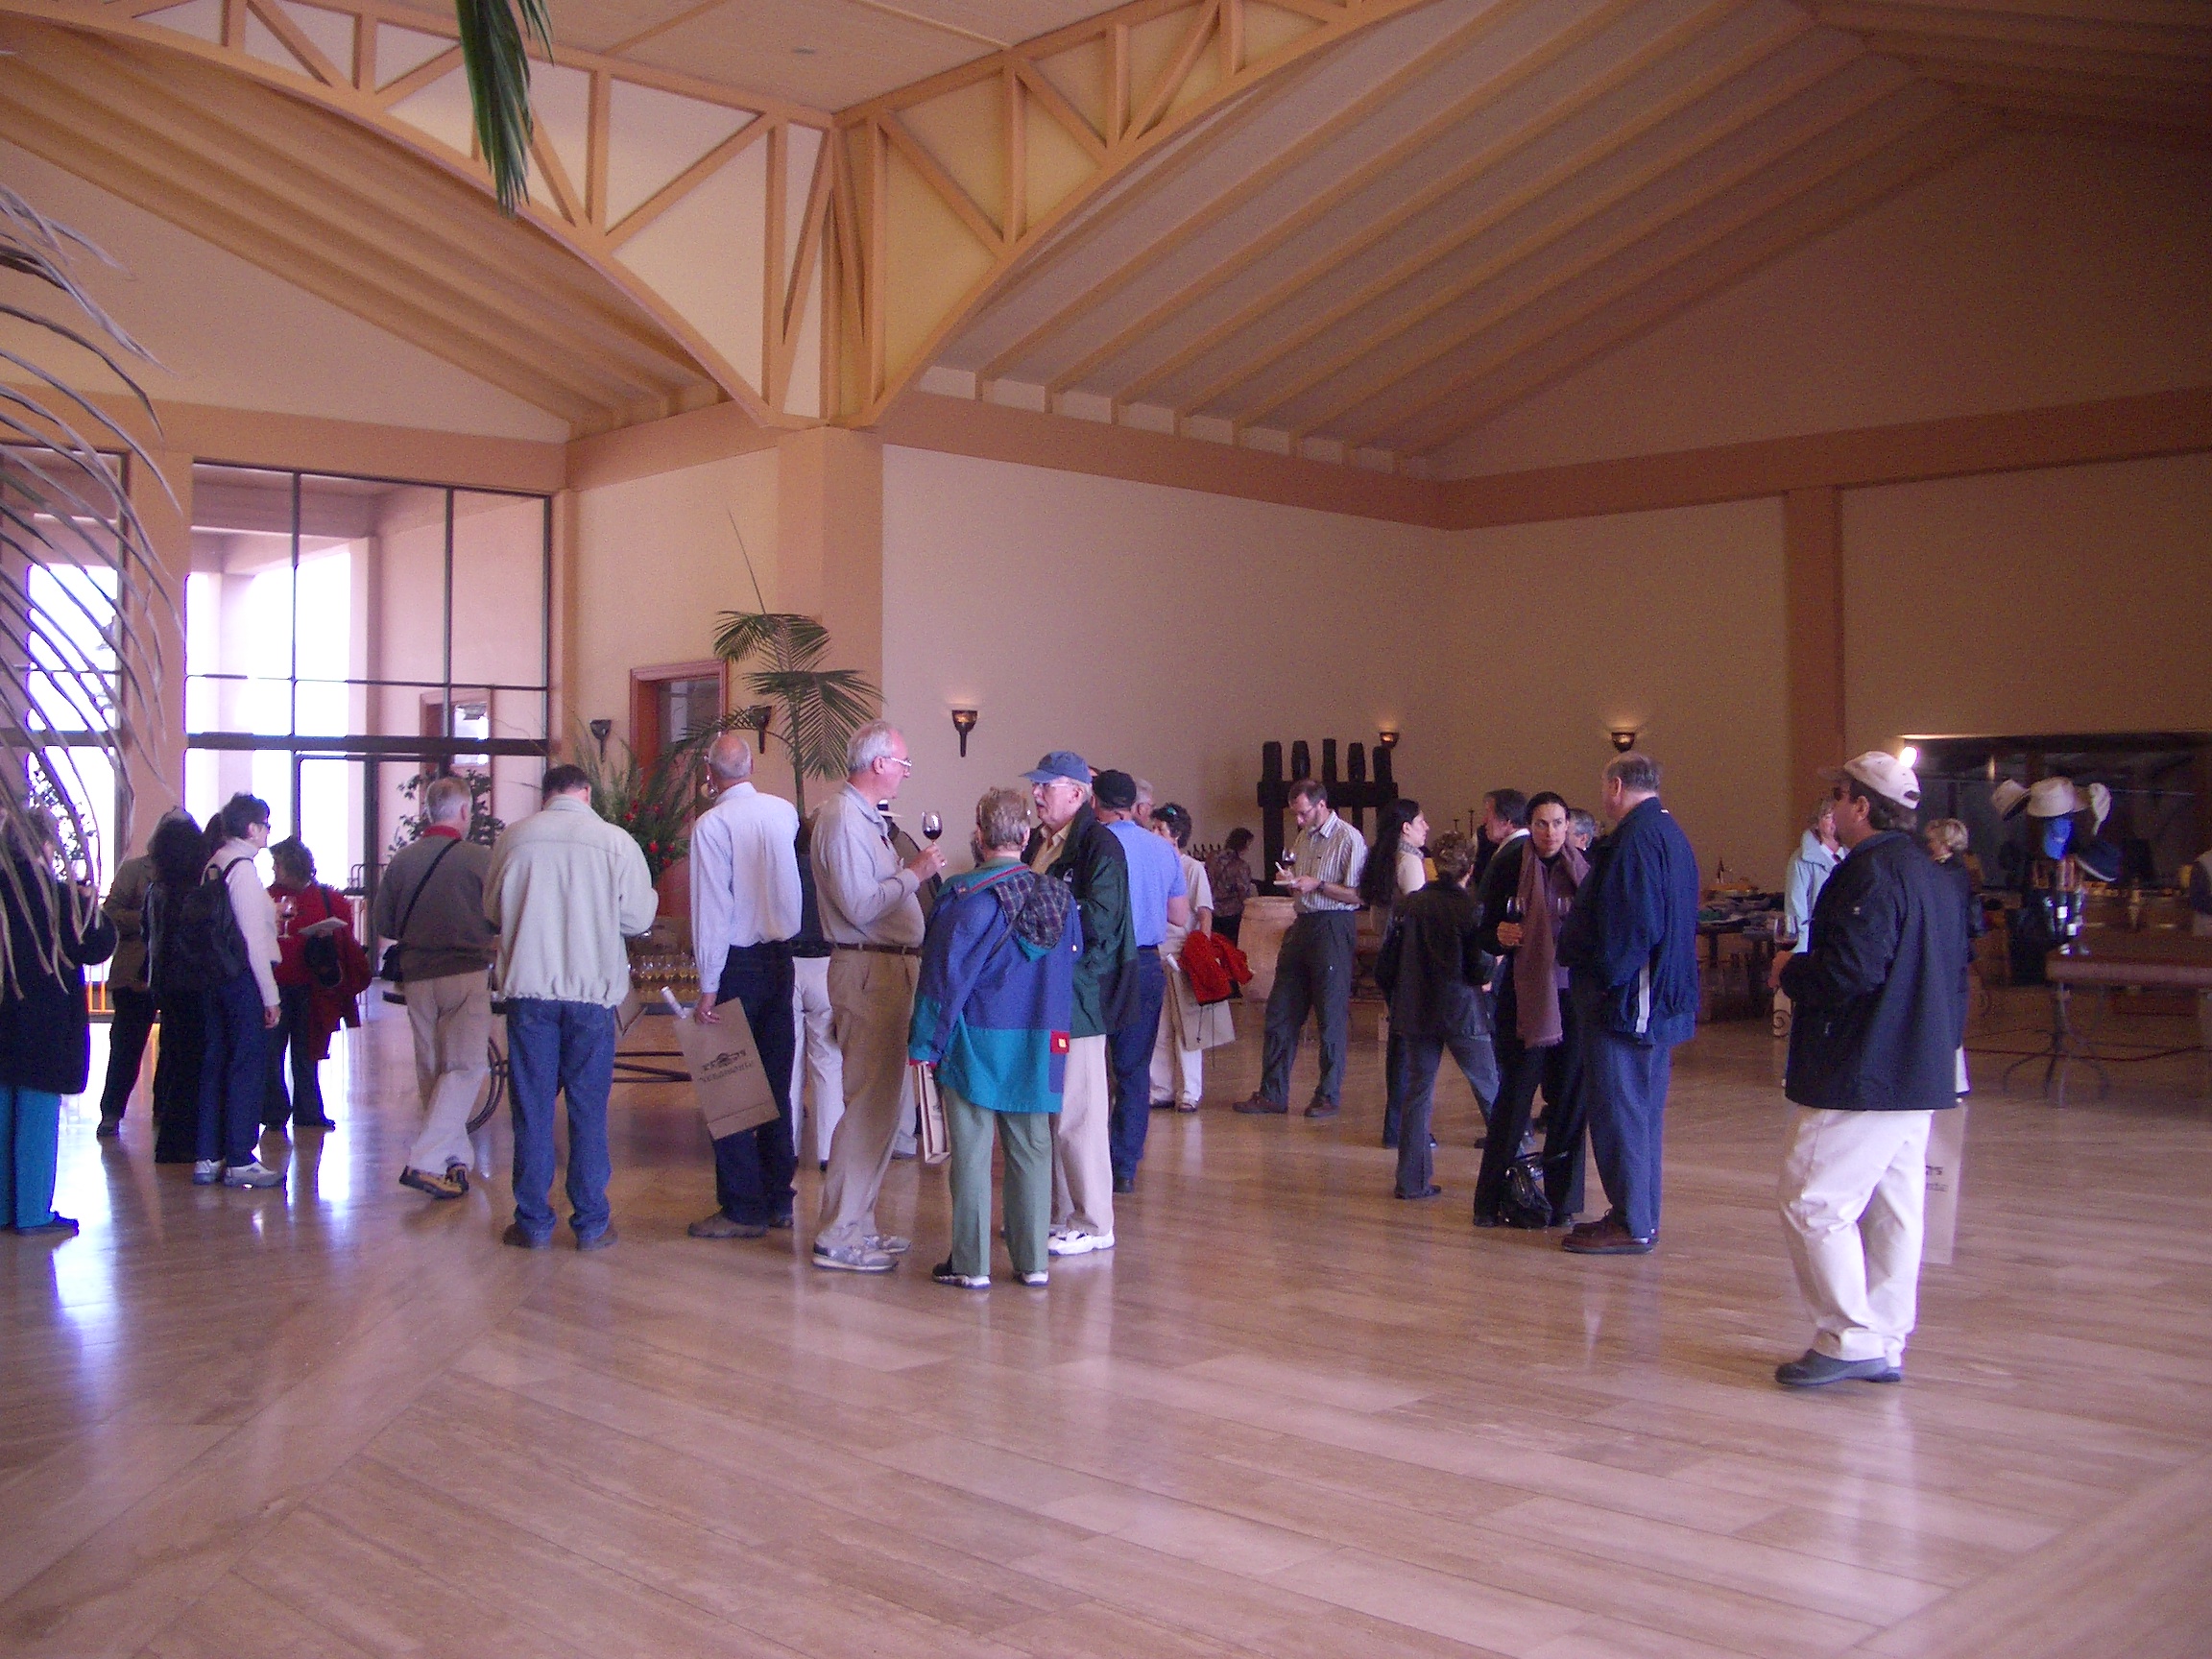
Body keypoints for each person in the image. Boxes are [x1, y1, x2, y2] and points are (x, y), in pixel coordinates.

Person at [1769, 753, 1966, 1386]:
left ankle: (1849, 1338)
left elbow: (1850, 971)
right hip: (1918, 1064)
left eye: (1839, 796)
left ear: (1861, 806)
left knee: (1812, 1201)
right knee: (1893, 1211)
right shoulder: (1934, 874)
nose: (1831, 808)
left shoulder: (1871, 872)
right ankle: (1883, 1336)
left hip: (1865, 1066)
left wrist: (1791, 971)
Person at [909, 786, 1080, 1289]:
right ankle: (1033, 1262)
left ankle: (971, 1264)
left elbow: (941, 981)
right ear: (1026, 837)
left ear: (979, 836)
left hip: (975, 1040)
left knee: (971, 1154)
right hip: (1040, 1038)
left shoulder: (963, 899)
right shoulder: (1060, 899)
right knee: (1033, 1149)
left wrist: (924, 1044)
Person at [484, 763, 657, 1250]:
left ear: (546, 795)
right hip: (590, 996)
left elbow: (492, 911)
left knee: (532, 1108)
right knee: (588, 1109)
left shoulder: (514, 839)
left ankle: (533, 1222)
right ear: (586, 793)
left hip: (530, 994)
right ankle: (592, 1222)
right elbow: (637, 919)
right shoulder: (615, 842)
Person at [811, 720, 945, 1272]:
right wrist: (915, 873)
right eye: (903, 763)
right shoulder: (843, 818)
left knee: (886, 1108)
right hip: (870, 972)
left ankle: (860, 1224)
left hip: (890, 970)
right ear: (879, 763)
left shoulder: (866, 820)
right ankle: (838, 1234)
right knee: (868, 1106)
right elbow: (860, 905)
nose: (907, 773)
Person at [1555, 753, 1698, 1255]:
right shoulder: (1668, 832)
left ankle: (1632, 1221)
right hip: (1653, 999)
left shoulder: (1636, 840)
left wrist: (1603, 980)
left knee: (1621, 1113)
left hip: (1628, 1004)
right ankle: (1638, 1215)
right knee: (1640, 1113)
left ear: (1616, 786)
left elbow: (1635, 927)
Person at [685, 733, 801, 1241]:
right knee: (775, 1083)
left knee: (728, 1085)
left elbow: (713, 910)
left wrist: (707, 986)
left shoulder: (712, 826)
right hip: (782, 960)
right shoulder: (784, 813)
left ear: (710, 774)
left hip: (736, 963)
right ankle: (778, 1199)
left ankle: (741, 1207)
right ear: (750, 767)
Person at [1023, 750, 1134, 1258]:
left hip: (1079, 997)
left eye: (1046, 786)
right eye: (1036, 785)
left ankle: (1094, 1220)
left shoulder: (1098, 845)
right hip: (1045, 992)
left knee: (1080, 1113)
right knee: (1052, 1110)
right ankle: (1059, 1214)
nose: (1036, 793)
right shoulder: (1042, 842)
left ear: (1076, 792)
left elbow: (1101, 922)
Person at [372, 774, 497, 1202]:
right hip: (466, 972)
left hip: (417, 977)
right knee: (466, 1067)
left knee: (433, 1069)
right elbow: (500, 915)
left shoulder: (403, 861)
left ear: (427, 813)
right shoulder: (480, 859)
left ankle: (453, 1159)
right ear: (464, 810)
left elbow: (384, 923)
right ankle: (425, 1159)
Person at [1473, 793, 1588, 1227]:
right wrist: (1498, 935)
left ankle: (1563, 1204)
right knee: (1515, 1100)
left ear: (1568, 825)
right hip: (1525, 999)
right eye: (1541, 823)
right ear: (1530, 826)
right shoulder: (1508, 865)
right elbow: (1482, 930)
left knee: (1569, 1101)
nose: (1550, 832)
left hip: (1572, 998)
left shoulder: (1584, 868)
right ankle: (1488, 1201)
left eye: (1558, 823)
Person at [0, 810, 115, 1235]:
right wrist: (90, 903)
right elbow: (97, 946)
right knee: (36, 1118)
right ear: (48, 845)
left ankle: (3, 1209)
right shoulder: (59, 896)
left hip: (3, 1015)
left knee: (2, 1114)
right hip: (45, 1022)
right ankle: (33, 1213)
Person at [1236, 779, 1367, 1121]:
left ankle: (1327, 1094)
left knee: (1329, 1014)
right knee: (1280, 1011)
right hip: (1303, 922)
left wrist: (1318, 884)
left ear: (1321, 805)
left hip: (1333, 926)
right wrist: (1292, 881)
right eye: (1295, 814)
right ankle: (1272, 1093)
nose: (1298, 820)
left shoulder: (1348, 838)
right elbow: (1303, 882)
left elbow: (1358, 894)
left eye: (1303, 813)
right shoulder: (1303, 837)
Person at [1381, 832, 1491, 1201]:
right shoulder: (1470, 908)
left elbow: (1386, 964)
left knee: (1417, 1093)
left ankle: (1411, 1181)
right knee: (1490, 1089)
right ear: (1469, 868)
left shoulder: (1408, 906)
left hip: (1416, 1008)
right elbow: (1478, 968)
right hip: (1461, 1010)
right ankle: (1513, 1172)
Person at [1095, 769, 1188, 1194]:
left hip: (1101, 963)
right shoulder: (1162, 849)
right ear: (1135, 805)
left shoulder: (1095, 843)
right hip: (1146, 963)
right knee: (1134, 1070)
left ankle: (1089, 1160)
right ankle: (1125, 1165)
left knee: (1091, 1067)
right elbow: (1179, 916)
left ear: (1095, 802)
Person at [195, 793, 285, 1189]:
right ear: (251, 828)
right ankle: (239, 1157)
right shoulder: (244, 870)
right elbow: (253, 941)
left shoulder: (215, 863)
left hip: (214, 975)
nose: (267, 832)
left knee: (215, 1061)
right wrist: (271, 997)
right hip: (242, 979)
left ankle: (208, 1155)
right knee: (246, 1065)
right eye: (265, 825)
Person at [263, 836, 351, 1132]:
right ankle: (275, 1111)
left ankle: (307, 1111)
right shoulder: (267, 897)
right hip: (276, 985)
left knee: (306, 1052)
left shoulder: (324, 897)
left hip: (307, 985)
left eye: (277, 864)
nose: (273, 869)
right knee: (273, 1053)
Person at [94, 820, 174, 1137]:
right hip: (134, 969)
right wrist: (147, 917)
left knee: (174, 1045)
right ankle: (112, 1111)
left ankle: (164, 1110)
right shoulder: (134, 870)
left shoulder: (192, 872)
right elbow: (110, 913)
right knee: (126, 1045)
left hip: (174, 970)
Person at [142, 812, 211, 1166]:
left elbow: (149, 935)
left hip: (164, 982)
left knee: (174, 1059)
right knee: (191, 1064)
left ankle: (172, 1140)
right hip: (191, 984)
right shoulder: (194, 894)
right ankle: (181, 1141)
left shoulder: (156, 890)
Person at [1362, 798, 1428, 1149]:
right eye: (1421, 822)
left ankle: (1396, 1125)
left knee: (1400, 1044)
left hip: (1388, 956)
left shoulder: (1382, 859)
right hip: (1407, 959)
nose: (1426, 828)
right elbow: (1419, 915)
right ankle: (1401, 1128)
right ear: (1406, 827)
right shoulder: (1409, 861)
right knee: (1408, 1047)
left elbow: (1376, 920)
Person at [1147, 804, 1219, 1113]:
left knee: (1187, 1026)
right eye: (1153, 828)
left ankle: (1189, 1091)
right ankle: (1160, 1088)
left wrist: (1201, 951)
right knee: (1159, 1026)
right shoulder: (1151, 866)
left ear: (1176, 835)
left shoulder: (1192, 868)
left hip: (1181, 954)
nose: (1154, 834)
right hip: (1155, 952)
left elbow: (1204, 913)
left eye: (1160, 829)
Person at [789, 809, 842, 1169]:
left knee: (790, 1062)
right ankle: (828, 1151)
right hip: (825, 966)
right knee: (828, 1062)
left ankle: (788, 1148)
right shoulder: (828, 872)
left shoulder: (781, 871)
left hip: (788, 966)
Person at [1783, 798, 1840, 950]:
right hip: (1816, 945)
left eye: (1837, 815)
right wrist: (1800, 953)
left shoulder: (1853, 854)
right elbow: (1796, 910)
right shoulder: (1801, 860)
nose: (1834, 821)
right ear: (1816, 823)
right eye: (1828, 817)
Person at [1207, 828, 1256, 948]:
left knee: (1215, 946)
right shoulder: (1241, 866)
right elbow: (1243, 893)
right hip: (1231, 913)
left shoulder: (1212, 857)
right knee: (1231, 948)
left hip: (1211, 909)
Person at [1472, 789, 1528, 889]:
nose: (1484, 820)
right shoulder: (1518, 847)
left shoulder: (1513, 854)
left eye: (1488, 814)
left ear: (1506, 820)